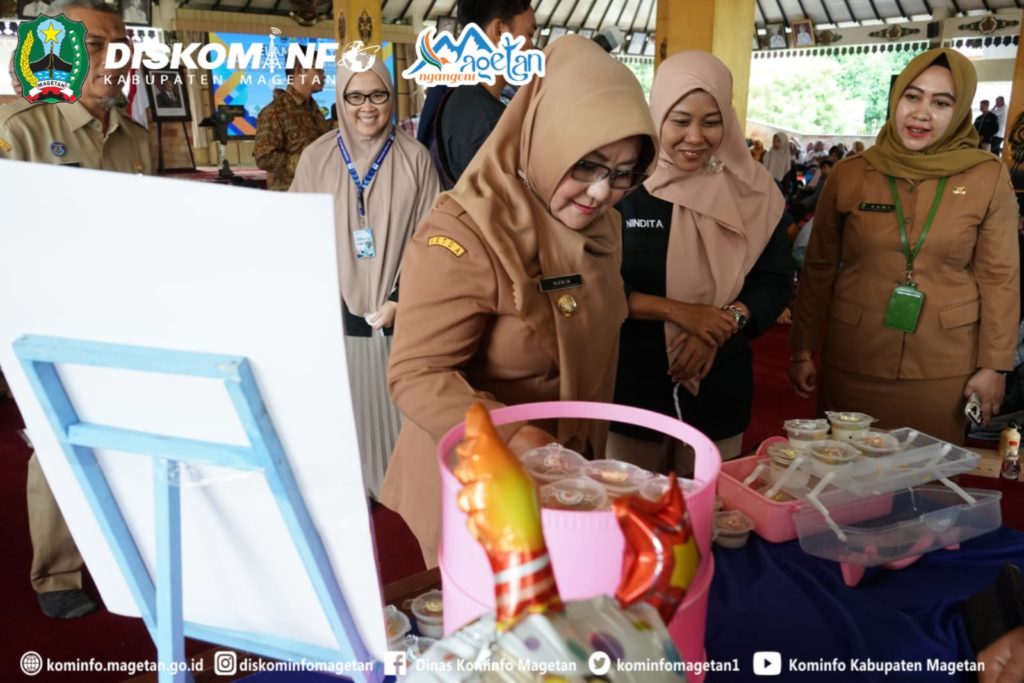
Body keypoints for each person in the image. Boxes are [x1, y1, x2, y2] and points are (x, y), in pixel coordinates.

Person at [380, 35, 657, 566]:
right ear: (547, 139)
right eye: (587, 164)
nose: (602, 192)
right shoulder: (466, 233)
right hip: (480, 484)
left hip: (565, 474)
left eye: (623, 174)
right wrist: (510, 434)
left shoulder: (601, 228)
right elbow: (415, 374)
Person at [0, 0, 152, 620]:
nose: (111, 57)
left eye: (121, 44)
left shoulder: (136, 139)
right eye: (93, 44)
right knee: (59, 442)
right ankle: (57, 574)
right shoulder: (22, 130)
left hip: (126, 315)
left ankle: (130, 555)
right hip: (51, 318)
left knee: (128, 435)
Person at [790, 48, 1019, 444]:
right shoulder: (851, 174)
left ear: (960, 110)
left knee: (928, 475)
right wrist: (802, 349)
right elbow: (818, 268)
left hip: (944, 367)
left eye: (941, 102)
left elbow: (1000, 276)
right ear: (896, 100)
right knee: (844, 471)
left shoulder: (987, 177)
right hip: (855, 356)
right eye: (912, 97)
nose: (921, 113)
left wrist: (994, 366)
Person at [610, 51, 792, 469]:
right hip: (634, 383)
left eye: (711, 122)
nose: (695, 137)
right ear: (656, 114)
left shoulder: (754, 190)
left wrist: (723, 324)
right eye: (680, 121)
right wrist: (679, 312)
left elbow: (776, 279)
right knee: (631, 500)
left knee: (710, 500)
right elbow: (595, 282)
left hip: (720, 381)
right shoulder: (624, 185)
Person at [290, 59, 440, 497]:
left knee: (399, 422)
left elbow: (430, 238)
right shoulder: (316, 157)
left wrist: (401, 297)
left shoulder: (415, 158)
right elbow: (298, 235)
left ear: (392, 96)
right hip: (334, 315)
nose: (367, 107)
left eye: (378, 94)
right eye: (355, 96)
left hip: (400, 314)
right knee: (344, 418)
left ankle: (400, 493)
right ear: (340, 99)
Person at [431, 0, 537, 189]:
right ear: (499, 31)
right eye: (529, 35)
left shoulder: (460, 97)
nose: (532, 47)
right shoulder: (487, 121)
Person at [253, 63, 330, 191]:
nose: (324, 75)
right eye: (318, 70)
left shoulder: (314, 110)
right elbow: (264, 158)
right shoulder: (275, 111)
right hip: (291, 195)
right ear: (299, 70)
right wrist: (305, 163)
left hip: (319, 190)